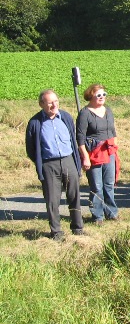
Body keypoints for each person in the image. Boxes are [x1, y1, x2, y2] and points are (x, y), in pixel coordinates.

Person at [25, 89, 84, 240]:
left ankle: (77, 228)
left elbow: (73, 139)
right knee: (52, 200)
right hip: (49, 164)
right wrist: (42, 163)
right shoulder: (35, 123)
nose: (54, 105)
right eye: (50, 102)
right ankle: (56, 232)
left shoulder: (65, 117)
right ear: (41, 104)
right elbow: (31, 149)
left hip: (68, 160)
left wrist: (76, 161)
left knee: (74, 195)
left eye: (56, 101)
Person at [76, 83, 119, 223]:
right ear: (91, 96)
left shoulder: (108, 110)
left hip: (109, 152)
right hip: (94, 154)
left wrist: (115, 149)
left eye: (104, 94)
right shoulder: (85, 113)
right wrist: (85, 157)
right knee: (97, 186)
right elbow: (80, 138)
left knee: (109, 184)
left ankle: (111, 213)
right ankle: (97, 215)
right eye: (98, 95)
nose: (102, 97)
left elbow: (113, 131)